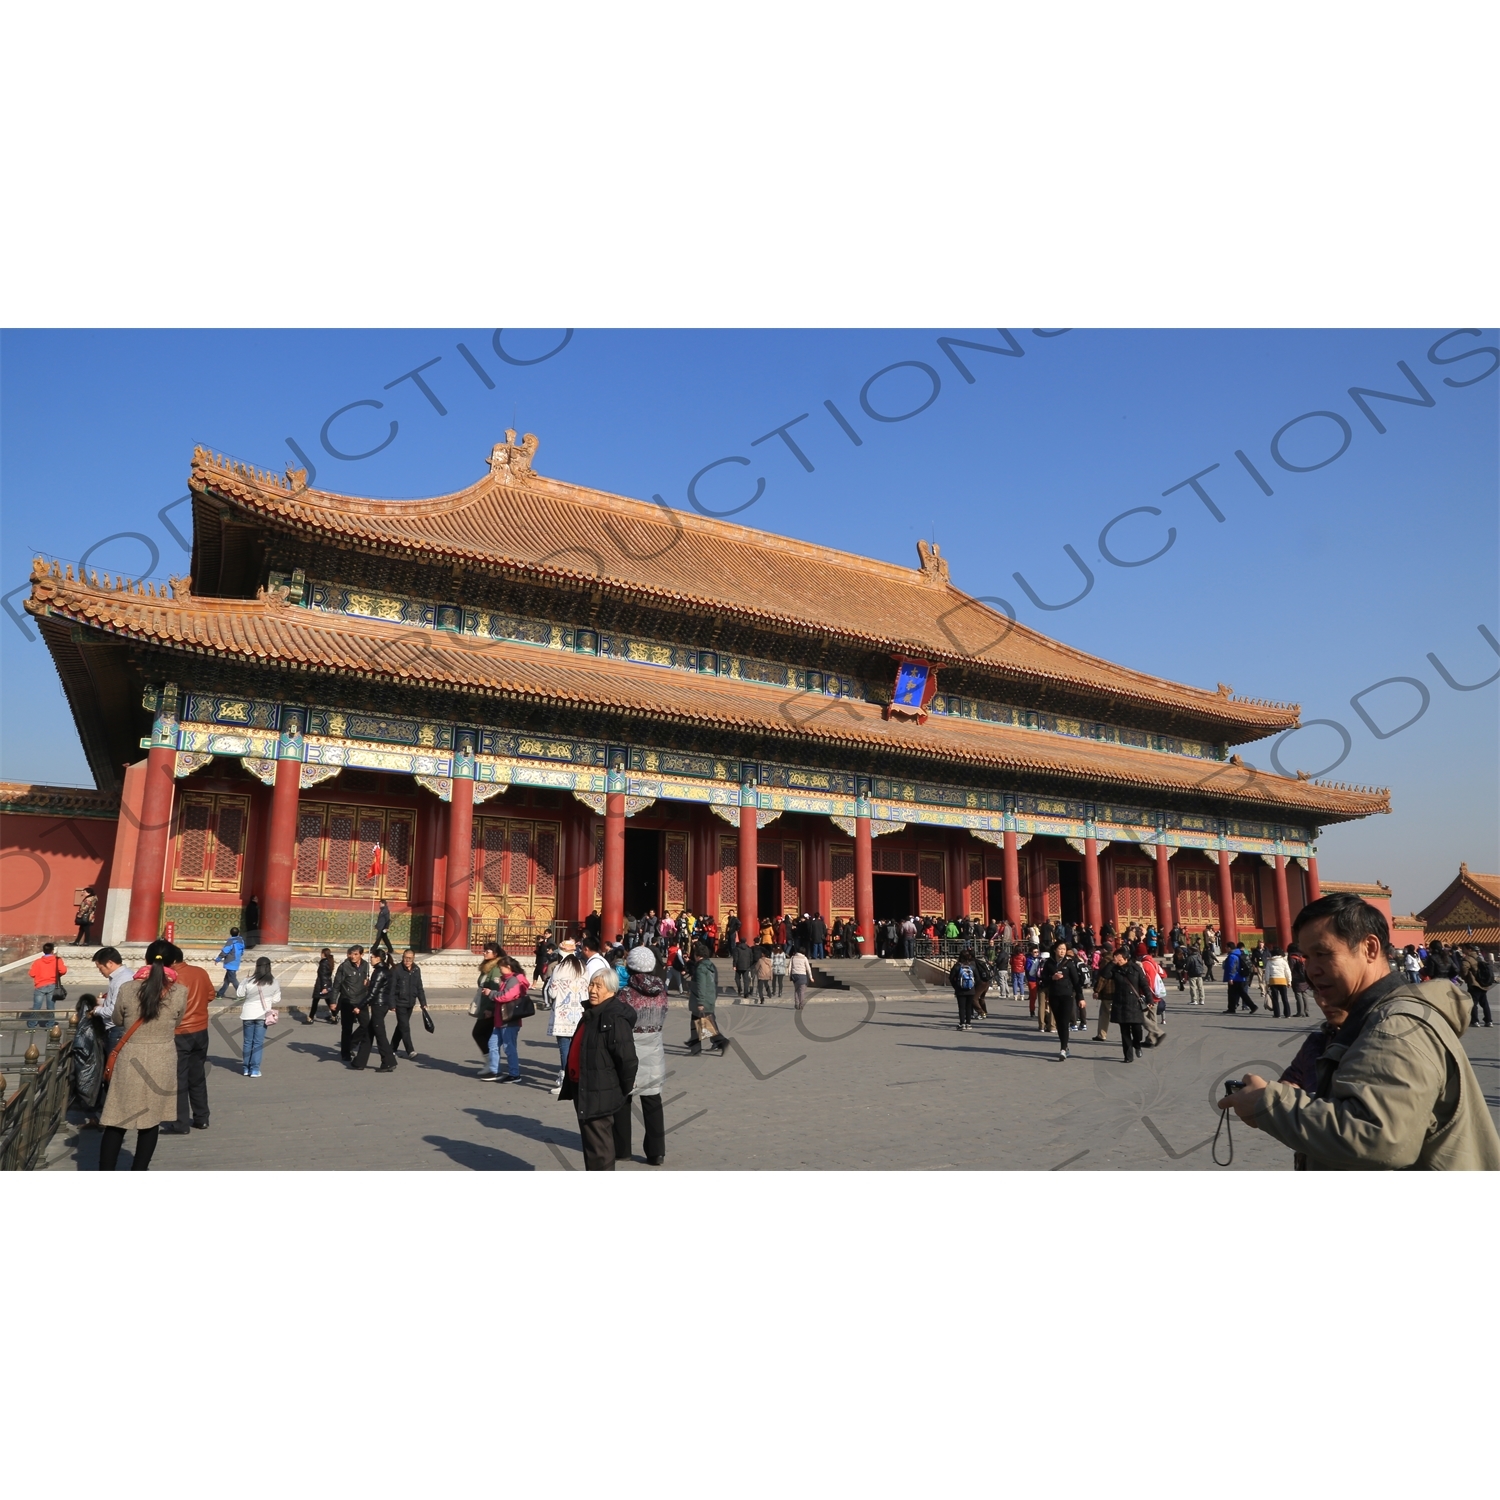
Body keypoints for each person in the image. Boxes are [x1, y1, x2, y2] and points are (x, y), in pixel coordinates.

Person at [1217, 893, 1500, 1169]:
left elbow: (1378, 1138)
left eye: (1322, 953)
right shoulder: (1371, 1020)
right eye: (1306, 957)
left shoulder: (1394, 1027)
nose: (1311, 969)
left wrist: (1268, 1104)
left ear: (1370, 948)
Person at [98, 955, 187, 1170]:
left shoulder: (128, 988)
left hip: (131, 1056)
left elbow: (117, 1020)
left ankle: (106, 1170)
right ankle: (139, 1169)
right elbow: (178, 1020)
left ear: (146, 961)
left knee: (117, 1118)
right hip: (162, 1058)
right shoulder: (180, 991)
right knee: (151, 1121)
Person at [559, 967, 639, 1170]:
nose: (592, 990)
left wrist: (622, 1088)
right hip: (584, 1086)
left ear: (611, 990)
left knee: (599, 1148)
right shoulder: (592, 1013)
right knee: (591, 1145)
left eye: (598, 986)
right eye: (591, 985)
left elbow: (627, 1059)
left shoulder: (613, 1018)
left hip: (600, 1089)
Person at [619, 946, 668, 1165]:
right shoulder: (662, 991)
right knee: (652, 1100)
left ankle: (622, 1149)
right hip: (654, 1045)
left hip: (629, 1048)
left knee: (623, 1098)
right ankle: (656, 1153)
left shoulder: (625, 994)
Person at [160, 940, 213, 1134]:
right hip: (200, 1030)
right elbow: (210, 995)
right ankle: (202, 1118)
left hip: (180, 1032)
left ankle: (181, 1123)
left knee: (179, 1079)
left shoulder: (171, 978)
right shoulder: (200, 972)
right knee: (197, 1076)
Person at [546, 940, 591, 1094]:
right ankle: (580, 1079)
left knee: (564, 1049)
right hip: (580, 1013)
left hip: (562, 1014)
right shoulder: (583, 967)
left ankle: (566, 1081)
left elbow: (552, 992)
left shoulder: (559, 968)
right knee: (579, 1048)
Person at [353, 950, 399, 1073]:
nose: (371, 959)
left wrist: (360, 1006)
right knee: (369, 1033)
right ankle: (359, 1062)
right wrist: (369, 985)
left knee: (380, 1035)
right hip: (381, 1004)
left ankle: (389, 1061)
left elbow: (373, 994)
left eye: (372, 957)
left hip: (379, 1005)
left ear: (378, 958)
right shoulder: (385, 971)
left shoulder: (379, 972)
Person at [237, 955, 280, 1078]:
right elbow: (277, 1000)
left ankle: (246, 1068)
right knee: (258, 1043)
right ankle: (255, 1069)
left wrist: (244, 981)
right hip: (263, 1015)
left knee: (247, 1042)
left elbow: (239, 994)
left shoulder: (248, 981)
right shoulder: (274, 982)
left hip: (248, 1014)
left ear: (257, 967)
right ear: (269, 968)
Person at [1041, 943, 1085, 1060]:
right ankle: (1065, 1046)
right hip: (1054, 995)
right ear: (1055, 950)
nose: (1062, 951)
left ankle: (1063, 1048)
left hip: (1067, 995)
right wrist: (1052, 978)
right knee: (1059, 1023)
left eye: (1064, 949)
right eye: (1060, 949)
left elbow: (1076, 981)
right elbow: (1043, 979)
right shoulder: (1049, 963)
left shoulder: (1069, 963)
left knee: (1065, 1022)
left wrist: (1080, 998)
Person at [686, 940, 731, 1054]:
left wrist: (701, 1002)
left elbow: (701, 985)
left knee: (704, 1025)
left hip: (701, 999)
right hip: (709, 997)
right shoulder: (710, 965)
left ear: (698, 956)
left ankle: (721, 1041)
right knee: (697, 1023)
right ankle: (695, 1048)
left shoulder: (701, 968)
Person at [330, 945, 371, 1061]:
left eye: (355, 954)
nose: (352, 956)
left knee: (366, 1025)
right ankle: (345, 1053)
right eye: (350, 954)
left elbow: (366, 981)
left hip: (361, 1000)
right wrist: (333, 1001)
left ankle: (352, 1043)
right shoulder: (344, 967)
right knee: (347, 1028)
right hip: (347, 1000)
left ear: (361, 955)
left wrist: (368, 984)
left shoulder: (366, 965)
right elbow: (336, 985)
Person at [1109, 949, 1150, 1062]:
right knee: (1125, 1032)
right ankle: (1128, 1056)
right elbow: (1104, 975)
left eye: (1119, 959)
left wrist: (1150, 999)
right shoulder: (1114, 969)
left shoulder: (1136, 968)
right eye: (1115, 958)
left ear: (1126, 958)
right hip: (1120, 1003)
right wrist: (1111, 963)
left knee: (1137, 1029)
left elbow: (1144, 985)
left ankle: (1137, 1044)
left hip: (1134, 1003)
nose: (1117, 961)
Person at [390, 948, 426, 1058]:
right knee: (405, 1026)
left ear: (413, 959)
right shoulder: (396, 969)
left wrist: (423, 1002)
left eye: (409, 958)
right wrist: (392, 1004)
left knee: (401, 1026)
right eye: (405, 958)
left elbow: (419, 987)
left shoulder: (416, 969)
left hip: (410, 1002)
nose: (407, 960)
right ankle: (410, 1050)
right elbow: (391, 988)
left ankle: (391, 1048)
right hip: (399, 1002)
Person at [28, 941, 67, 1029]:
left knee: (36, 1006)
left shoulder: (37, 962)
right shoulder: (57, 960)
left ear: (43, 951)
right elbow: (63, 971)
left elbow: (32, 973)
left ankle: (32, 1025)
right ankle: (50, 1025)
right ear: (52, 951)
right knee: (51, 1006)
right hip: (52, 985)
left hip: (39, 986)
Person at [950, 948, 980, 1031]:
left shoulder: (957, 966)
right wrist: (973, 986)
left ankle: (962, 1023)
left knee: (961, 1007)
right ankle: (968, 1023)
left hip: (960, 990)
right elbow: (977, 978)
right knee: (969, 1007)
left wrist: (956, 986)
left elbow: (951, 978)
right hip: (971, 990)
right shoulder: (972, 966)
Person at [1223, 941, 1257, 1014]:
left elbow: (1232, 968)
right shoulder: (1239, 954)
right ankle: (1250, 1006)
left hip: (1235, 977)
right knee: (1241, 993)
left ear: (1229, 948)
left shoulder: (1232, 956)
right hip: (1240, 976)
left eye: (1226, 947)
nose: (1225, 948)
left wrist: (1230, 978)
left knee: (1233, 993)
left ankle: (1232, 1008)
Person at [1464, 946, 1493, 1028]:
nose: (1463, 950)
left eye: (1464, 948)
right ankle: (1489, 1021)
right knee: (1485, 1003)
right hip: (1484, 983)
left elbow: (1464, 969)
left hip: (1474, 983)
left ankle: (1475, 1021)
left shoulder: (1468, 959)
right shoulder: (1480, 958)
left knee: (1473, 1003)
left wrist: (1466, 978)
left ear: (1469, 949)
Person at [306, 947, 335, 1024]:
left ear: (323, 954)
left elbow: (323, 975)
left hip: (321, 985)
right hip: (327, 984)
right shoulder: (329, 961)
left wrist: (324, 987)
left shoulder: (323, 963)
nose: (320, 954)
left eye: (321, 953)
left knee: (315, 1001)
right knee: (328, 1001)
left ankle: (310, 1018)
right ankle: (334, 1016)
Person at [215, 927, 245, 998]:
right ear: (238, 933)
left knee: (233, 979)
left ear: (230, 934)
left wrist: (218, 959)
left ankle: (241, 995)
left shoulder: (230, 942)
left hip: (230, 962)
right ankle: (220, 994)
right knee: (227, 980)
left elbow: (225, 951)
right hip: (236, 962)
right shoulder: (241, 941)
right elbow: (242, 951)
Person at [1265, 947, 1293, 1017]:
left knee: (1275, 999)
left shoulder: (1270, 961)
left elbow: (1267, 972)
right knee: (1284, 998)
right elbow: (1288, 972)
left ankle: (1277, 1014)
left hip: (1273, 980)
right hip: (1282, 980)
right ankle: (1287, 1014)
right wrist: (1289, 981)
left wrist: (1267, 982)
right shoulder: (1283, 961)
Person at [788, 945, 813, 1009]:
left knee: (796, 990)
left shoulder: (793, 957)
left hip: (794, 975)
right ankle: (801, 1004)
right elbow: (808, 968)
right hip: (802, 975)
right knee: (802, 991)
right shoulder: (804, 958)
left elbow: (789, 967)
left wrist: (789, 975)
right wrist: (811, 977)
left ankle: (796, 1003)